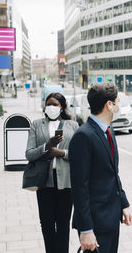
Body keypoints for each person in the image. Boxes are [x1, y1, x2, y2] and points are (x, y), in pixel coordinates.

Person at [69, 83, 132, 253]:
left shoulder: (108, 130)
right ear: (109, 105)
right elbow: (79, 187)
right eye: (118, 101)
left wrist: (123, 204)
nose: (119, 105)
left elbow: (112, 173)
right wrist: (86, 229)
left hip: (112, 216)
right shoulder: (83, 136)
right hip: (95, 222)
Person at [25, 92, 79, 253]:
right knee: (47, 222)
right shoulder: (36, 124)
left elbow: (79, 154)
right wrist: (47, 146)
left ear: (62, 107)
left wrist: (61, 153)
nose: (51, 107)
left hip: (66, 181)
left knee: (63, 223)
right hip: (44, 180)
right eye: (48, 104)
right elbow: (29, 153)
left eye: (55, 104)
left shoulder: (72, 125)